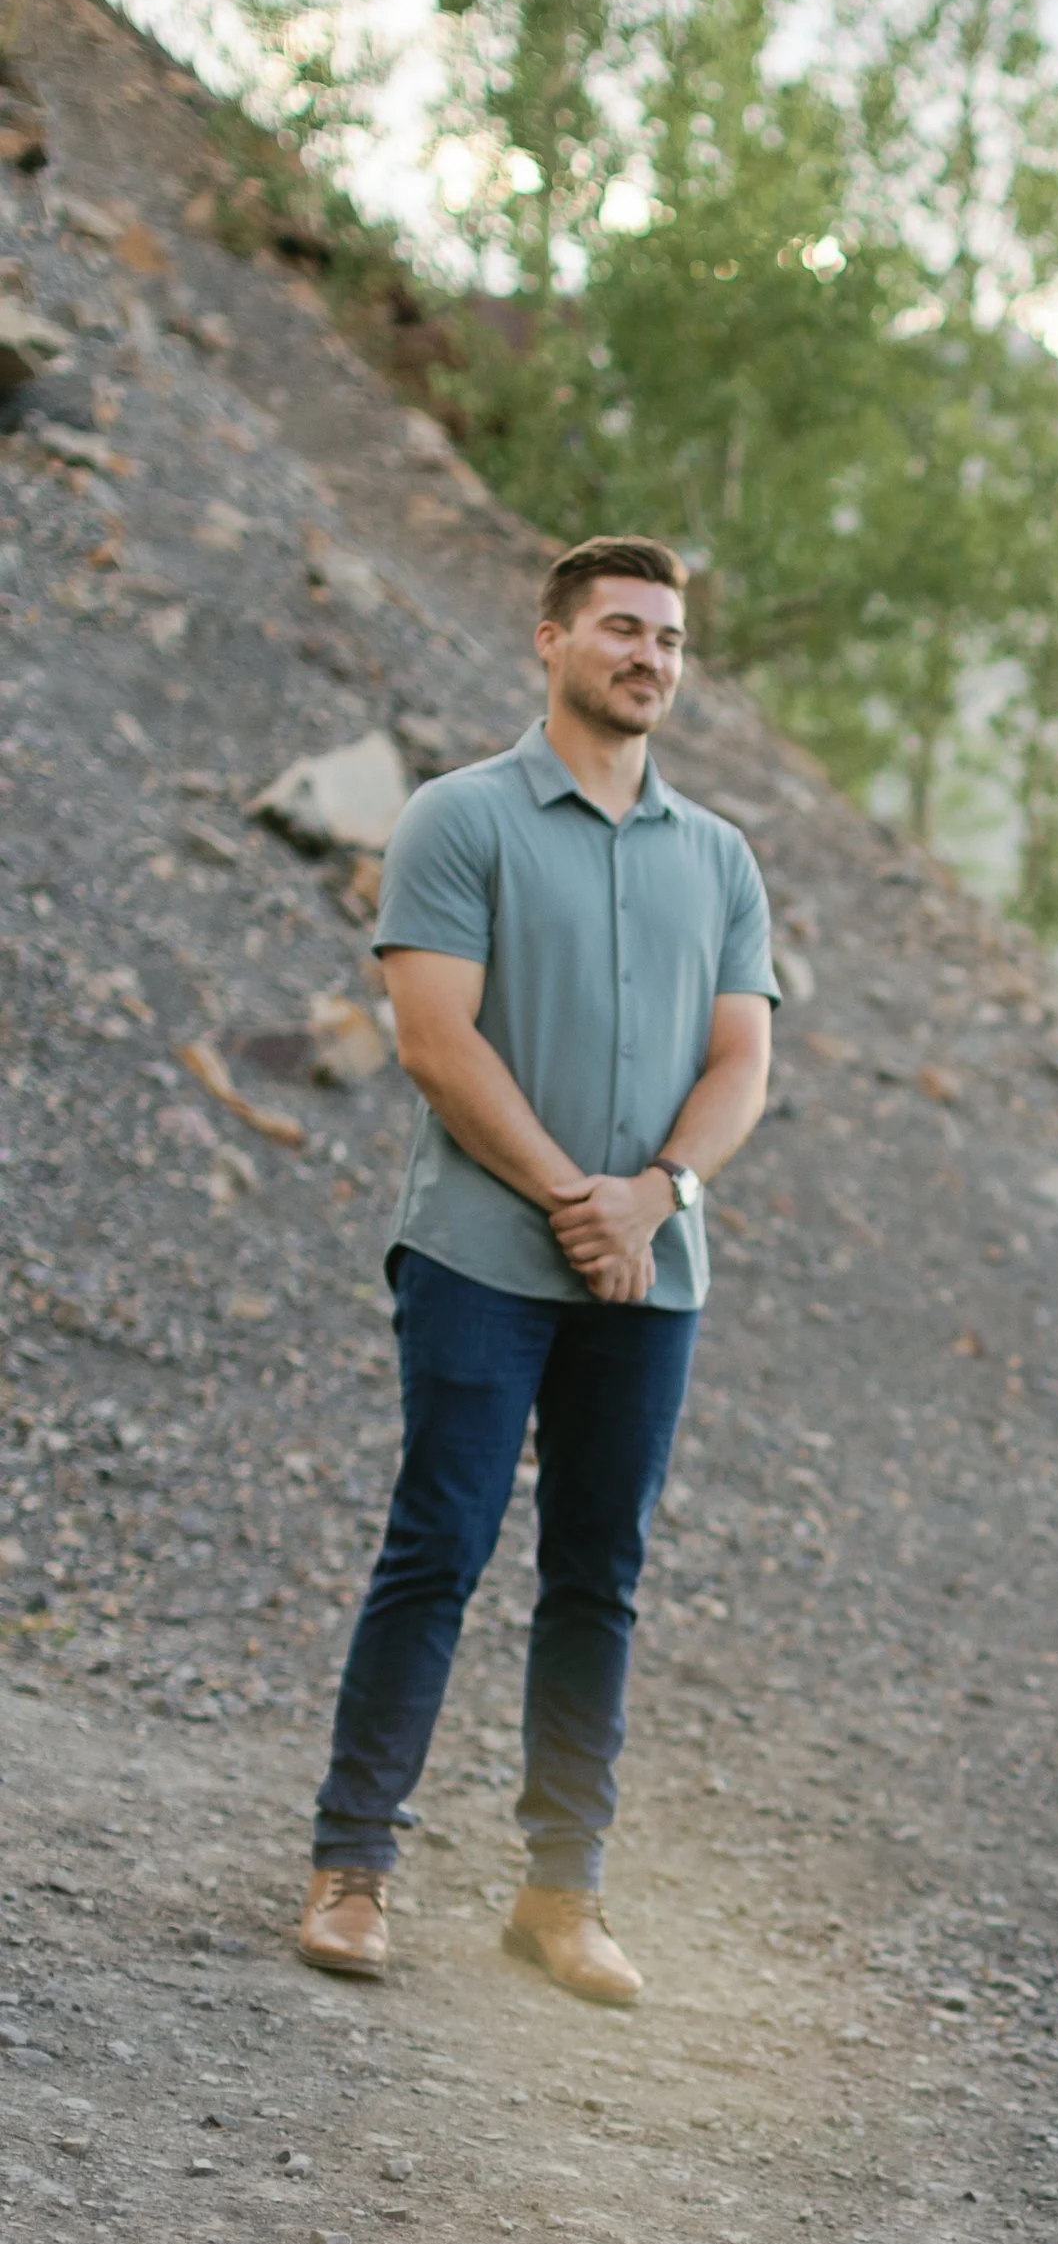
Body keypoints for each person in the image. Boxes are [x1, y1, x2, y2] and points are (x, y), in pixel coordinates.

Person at [295, 536, 778, 2006]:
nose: (650, 657)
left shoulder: (719, 856)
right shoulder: (461, 817)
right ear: (551, 642)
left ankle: (561, 1896)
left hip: (649, 1276)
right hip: (481, 1257)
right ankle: (351, 1866)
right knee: (438, 1544)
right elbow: (434, 1041)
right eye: (622, 628)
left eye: (669, 638)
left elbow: (743, 1064)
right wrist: (581, 1200)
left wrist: (655, 1198)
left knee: (598, 1577)